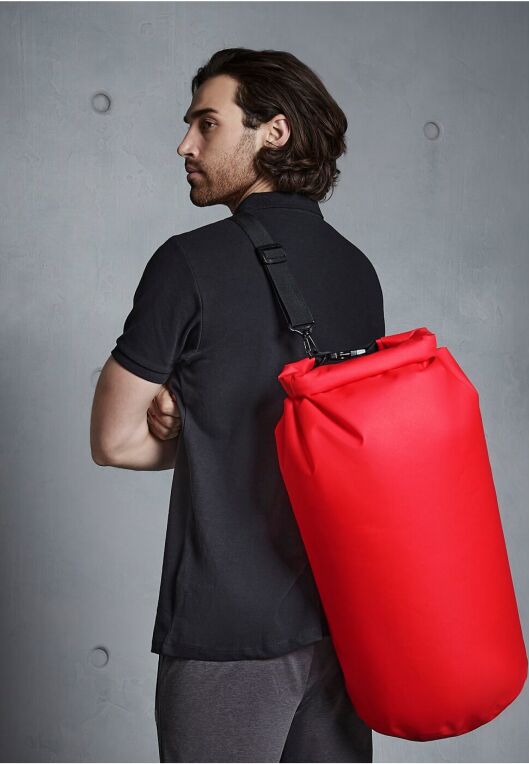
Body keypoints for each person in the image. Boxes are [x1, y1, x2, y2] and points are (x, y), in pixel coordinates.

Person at [91, 47, 385, 762]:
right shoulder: (357, 271)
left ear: (273, 132)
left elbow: (114, 440)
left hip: (228, 631)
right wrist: (203, 420)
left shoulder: (187, 263)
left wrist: (185, 428)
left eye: (207, 123)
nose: (185, 145)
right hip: (344, 621)